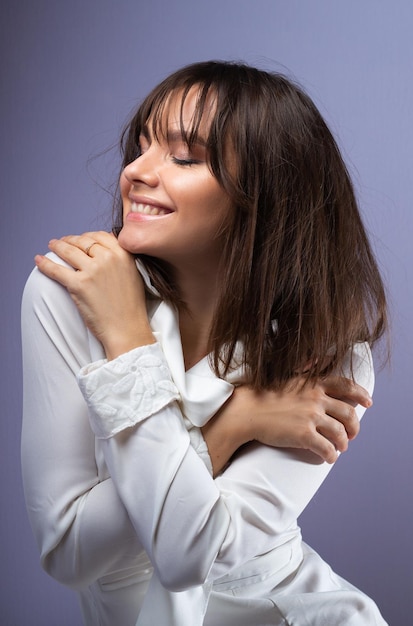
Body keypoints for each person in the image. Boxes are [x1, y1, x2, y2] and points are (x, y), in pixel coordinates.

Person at [21, 60, 388, 625]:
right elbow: (68, 552)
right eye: (141, 145)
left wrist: (127, 346)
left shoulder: (331, 354)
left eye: (184, 156)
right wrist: (231, 423)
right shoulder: (69, 290)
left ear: (266, 197)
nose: (136, 172)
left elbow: (187, 553)